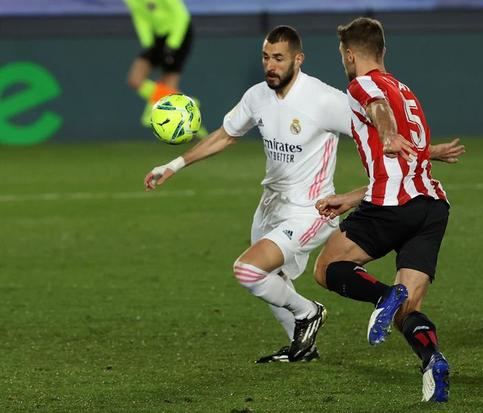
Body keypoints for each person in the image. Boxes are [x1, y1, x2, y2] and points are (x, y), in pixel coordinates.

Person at [143, 26, 464, 363]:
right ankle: (303, 347)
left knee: (249, 271)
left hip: (312, 210)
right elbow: (226, 135)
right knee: (271, 280)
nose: (271, 65)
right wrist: (174, 164)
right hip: (270, 206)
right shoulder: (257, 96)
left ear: (298, 59)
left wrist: (421, 151)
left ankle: (311, 313)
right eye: (266, 57)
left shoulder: (325, 100)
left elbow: (376, 122)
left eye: (279, 58)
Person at [314, 17, 451, 402]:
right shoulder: (405, 91)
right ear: (384, 51)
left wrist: (387, 131)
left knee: (328, 269)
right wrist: (350, 198)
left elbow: (375, 108)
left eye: (343, 54)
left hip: (392, 207)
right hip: (432, 207)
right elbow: (404, 165)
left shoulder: (363, 85)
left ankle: (381, 296)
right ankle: (432, 360)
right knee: (409, 308)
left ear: (350, 54)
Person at [125, 0, 206, 136]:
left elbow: (181, 16)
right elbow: (140, 17)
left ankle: (199, 132)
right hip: (158, 37)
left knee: (169, 85)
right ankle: (189, 103)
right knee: (135, 80)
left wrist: (172, 45)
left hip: (180, 33)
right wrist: (148, 42)